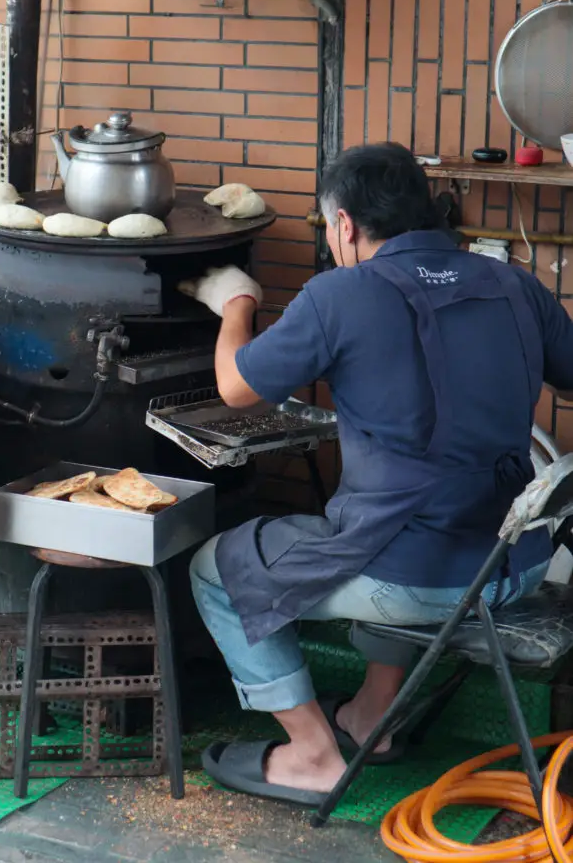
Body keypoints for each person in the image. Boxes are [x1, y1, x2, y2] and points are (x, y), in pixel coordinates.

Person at [179, 142, 573, 807]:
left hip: (419, 583)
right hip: (518, 561)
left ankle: (310, 755)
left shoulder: (339, 294)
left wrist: (237, 305)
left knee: (216, 570)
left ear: (343, 226)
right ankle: (369, 721)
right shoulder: (513, 284)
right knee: (387, 528)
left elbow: (235, 387)